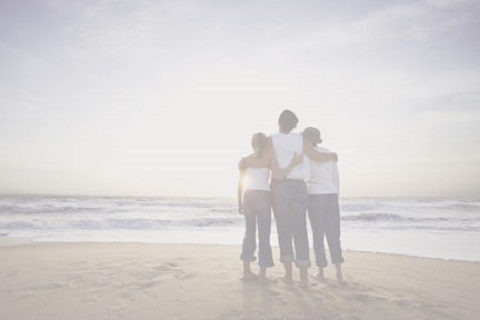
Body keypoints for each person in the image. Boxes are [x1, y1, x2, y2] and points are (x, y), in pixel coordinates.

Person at [240, 110, 337, 287]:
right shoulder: (301, 138)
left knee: (284, 230)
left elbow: (264, 162)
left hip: (280, 187)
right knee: (300, 230)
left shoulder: (272, 139)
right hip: (299, 187)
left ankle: (289, 277)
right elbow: (316, 156)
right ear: (294, 124)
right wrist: (331, 156)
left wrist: (246, 163)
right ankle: (304, 278)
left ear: (279, 122)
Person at [237, 132, 302, 282]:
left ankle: (246, 272)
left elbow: (240, 183)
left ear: (252, 144)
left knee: (249, 233)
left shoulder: (245, 161)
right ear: (266, 145)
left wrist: (239, 202)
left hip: (248, 195)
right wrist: (293, 163)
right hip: (263, 196)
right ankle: (262, 275)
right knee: (264, 236)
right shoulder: (269, 160)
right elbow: (279, 176)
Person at [303, 127, 344, 283]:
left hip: (314, 195)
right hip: (331, 194)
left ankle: (321, 271)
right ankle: (339, 271)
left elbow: (305, 175)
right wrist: (336, 195)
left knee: (318, 235)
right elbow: (336, 178)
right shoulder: (329, 153)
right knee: (334, 234)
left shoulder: (306, 155)